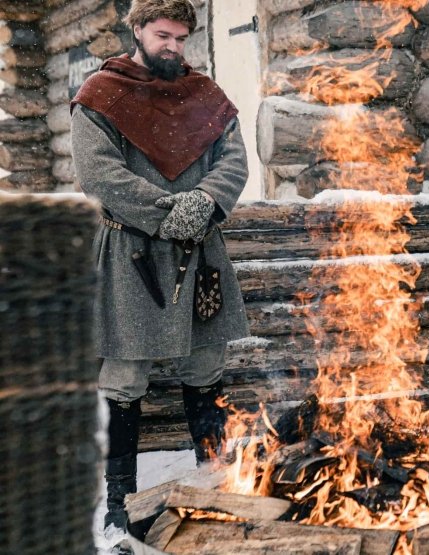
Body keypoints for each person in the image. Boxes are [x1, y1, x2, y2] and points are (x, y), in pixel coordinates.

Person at [70, 0, 249, 531]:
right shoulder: (102, 95)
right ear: (139, 31)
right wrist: (169, 212)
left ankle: (218, 486)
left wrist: (206, 202)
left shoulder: (205, 96)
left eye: (180, 37)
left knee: (205, 367)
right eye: (163, 35)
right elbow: (98, 173)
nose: (173, 46)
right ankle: (118, 506)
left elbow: (234, 159)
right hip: (134, 255)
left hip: (200, 254)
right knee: (124, 376)